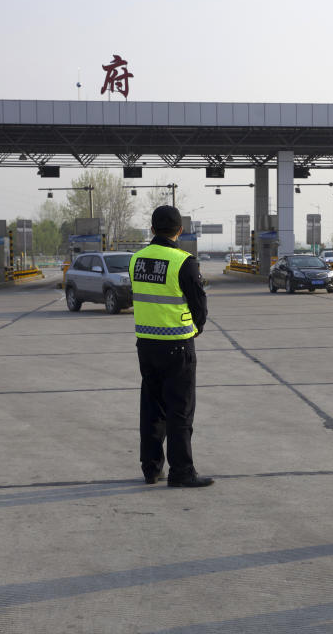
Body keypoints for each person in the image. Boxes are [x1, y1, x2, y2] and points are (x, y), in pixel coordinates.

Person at [129, 206, 212, 488]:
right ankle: (182, 472)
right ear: (179, 231)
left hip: (146, 345)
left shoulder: (136, 260)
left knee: (152, 408)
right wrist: (195, 328)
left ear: (152, 229)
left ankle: (151, 469)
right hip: (177, 345)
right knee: (180, 410)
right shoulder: (183, 262)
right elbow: (199, 305)